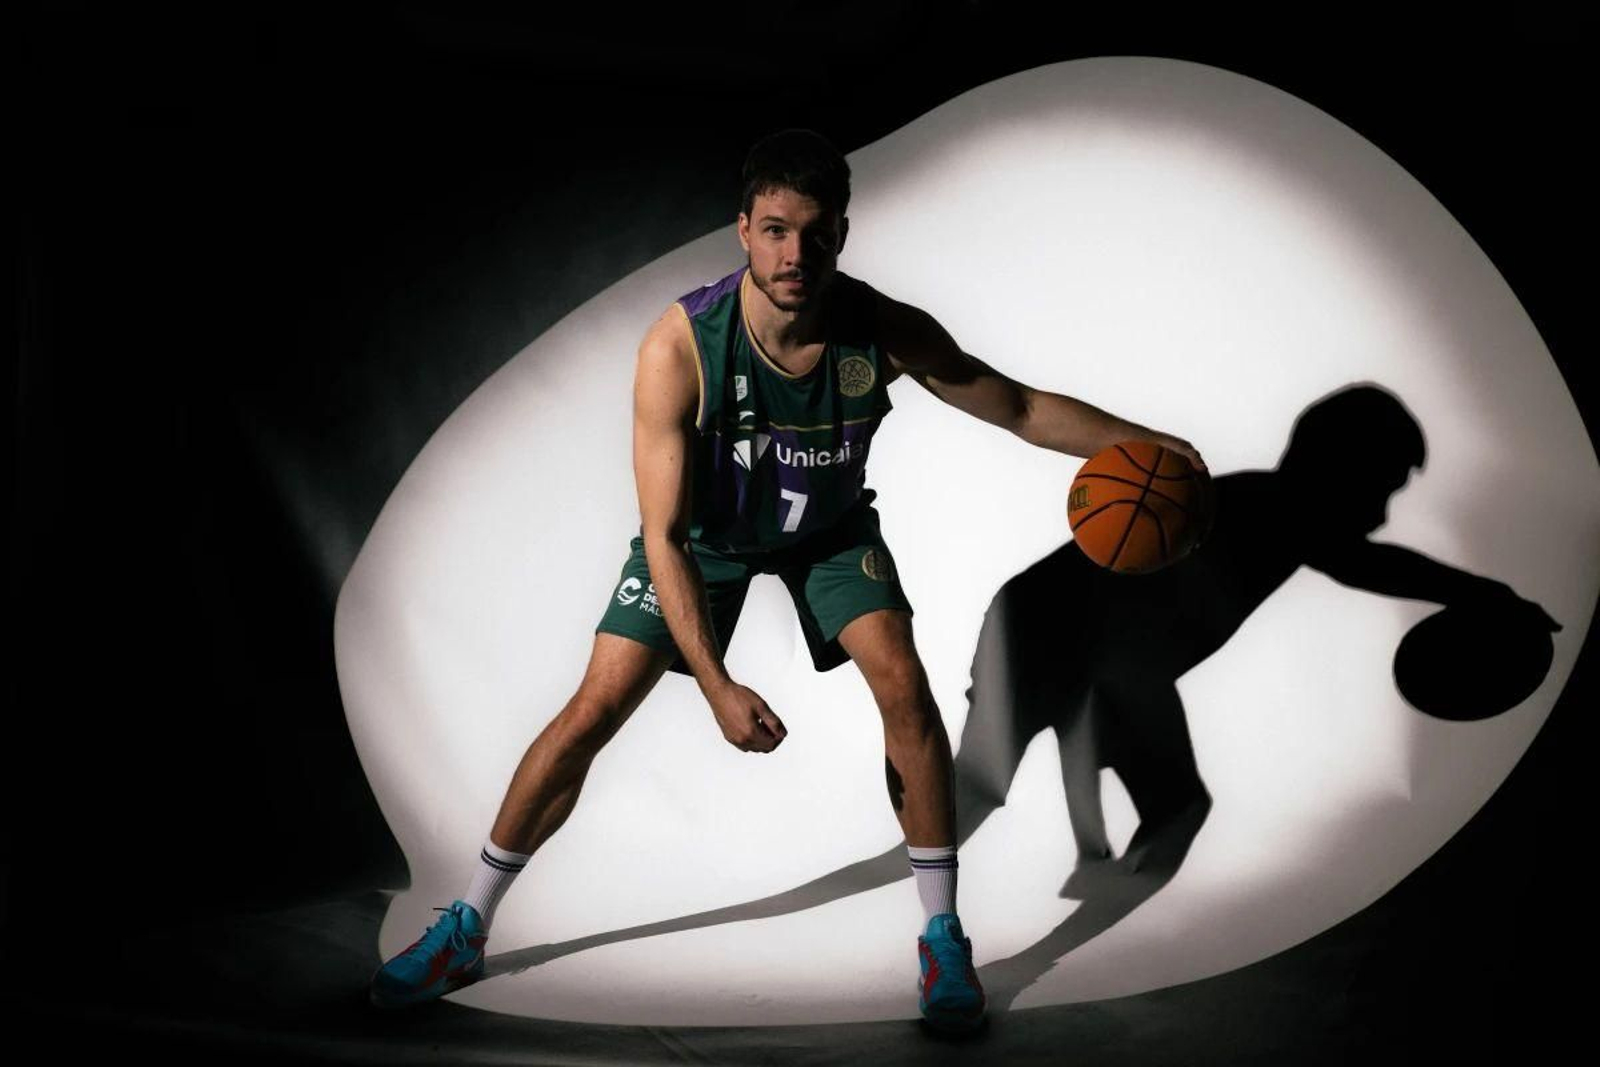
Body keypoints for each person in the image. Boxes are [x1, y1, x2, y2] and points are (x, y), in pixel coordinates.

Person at [369, 128, 1206, 1033]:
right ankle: (467, 922)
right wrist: (718, 686)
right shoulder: (681, 346)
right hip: (703, 542)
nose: (794, 253)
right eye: (774, 230)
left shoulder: (881, 329)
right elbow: (663, 535)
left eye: (814, 233)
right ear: (743, 230)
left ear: (841, 233)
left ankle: (941, 936)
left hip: (828, 534)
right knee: (593, 709)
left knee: (906, 690)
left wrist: (1143, 444)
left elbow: (1021, 406)